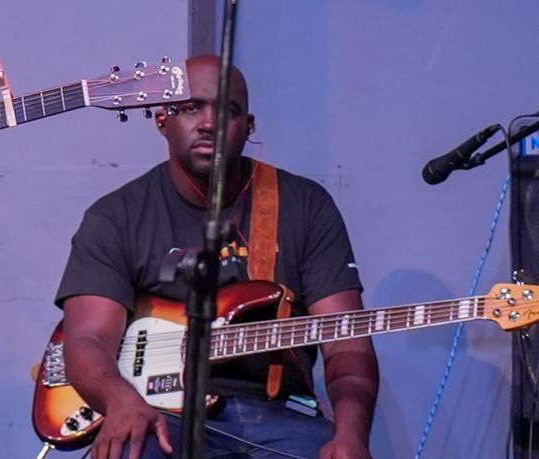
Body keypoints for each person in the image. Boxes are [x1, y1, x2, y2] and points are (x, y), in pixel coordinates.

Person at [54, 55, 378, 459]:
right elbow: (88, 339)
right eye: (191, 107)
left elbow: (346, 341)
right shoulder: (117, 215)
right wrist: (119, 399)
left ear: (249, 126)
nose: (209, 123)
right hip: (159, 414)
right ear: (162, 121)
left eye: (228, 111)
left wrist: (351, 436)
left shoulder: (305, 205)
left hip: (283, 413)